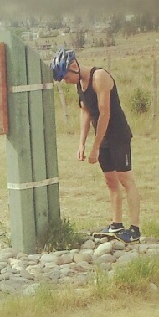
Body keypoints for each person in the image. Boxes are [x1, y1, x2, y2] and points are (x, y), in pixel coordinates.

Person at [50, 47, 141, 244]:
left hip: (117, 135)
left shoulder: (99, 77)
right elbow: (85, 112)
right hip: (104, 137)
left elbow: (104, 113)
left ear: (74, 67)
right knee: (110, 180)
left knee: (125, 179)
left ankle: (135, 230)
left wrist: (96, 146)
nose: (66, 81)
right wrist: (81, 143)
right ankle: (116, 224)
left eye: (66, 77)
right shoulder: (80, 84)